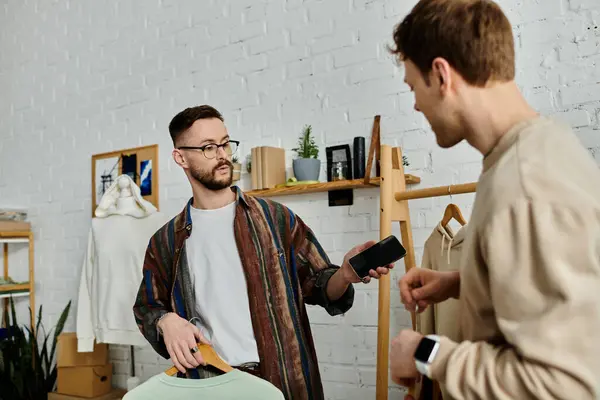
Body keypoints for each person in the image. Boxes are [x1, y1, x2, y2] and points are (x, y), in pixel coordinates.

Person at [386, 1, 600, 399]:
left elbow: (563, 384)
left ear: (441, 75)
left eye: (414, 88)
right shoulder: (535, 152)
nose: (415, 104)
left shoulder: (525, 183)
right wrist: (462, 283)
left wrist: (425, 352)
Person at [132, 105, 394, 400]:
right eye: (208, 147)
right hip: (207, 384)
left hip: (283, 380)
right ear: (180, 157)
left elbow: (321, 286)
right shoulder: (166, 241)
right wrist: (166, 321)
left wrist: (345, 274)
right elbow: (146, 308)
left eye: (225, 143)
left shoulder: (276, 220)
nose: (222, 155)